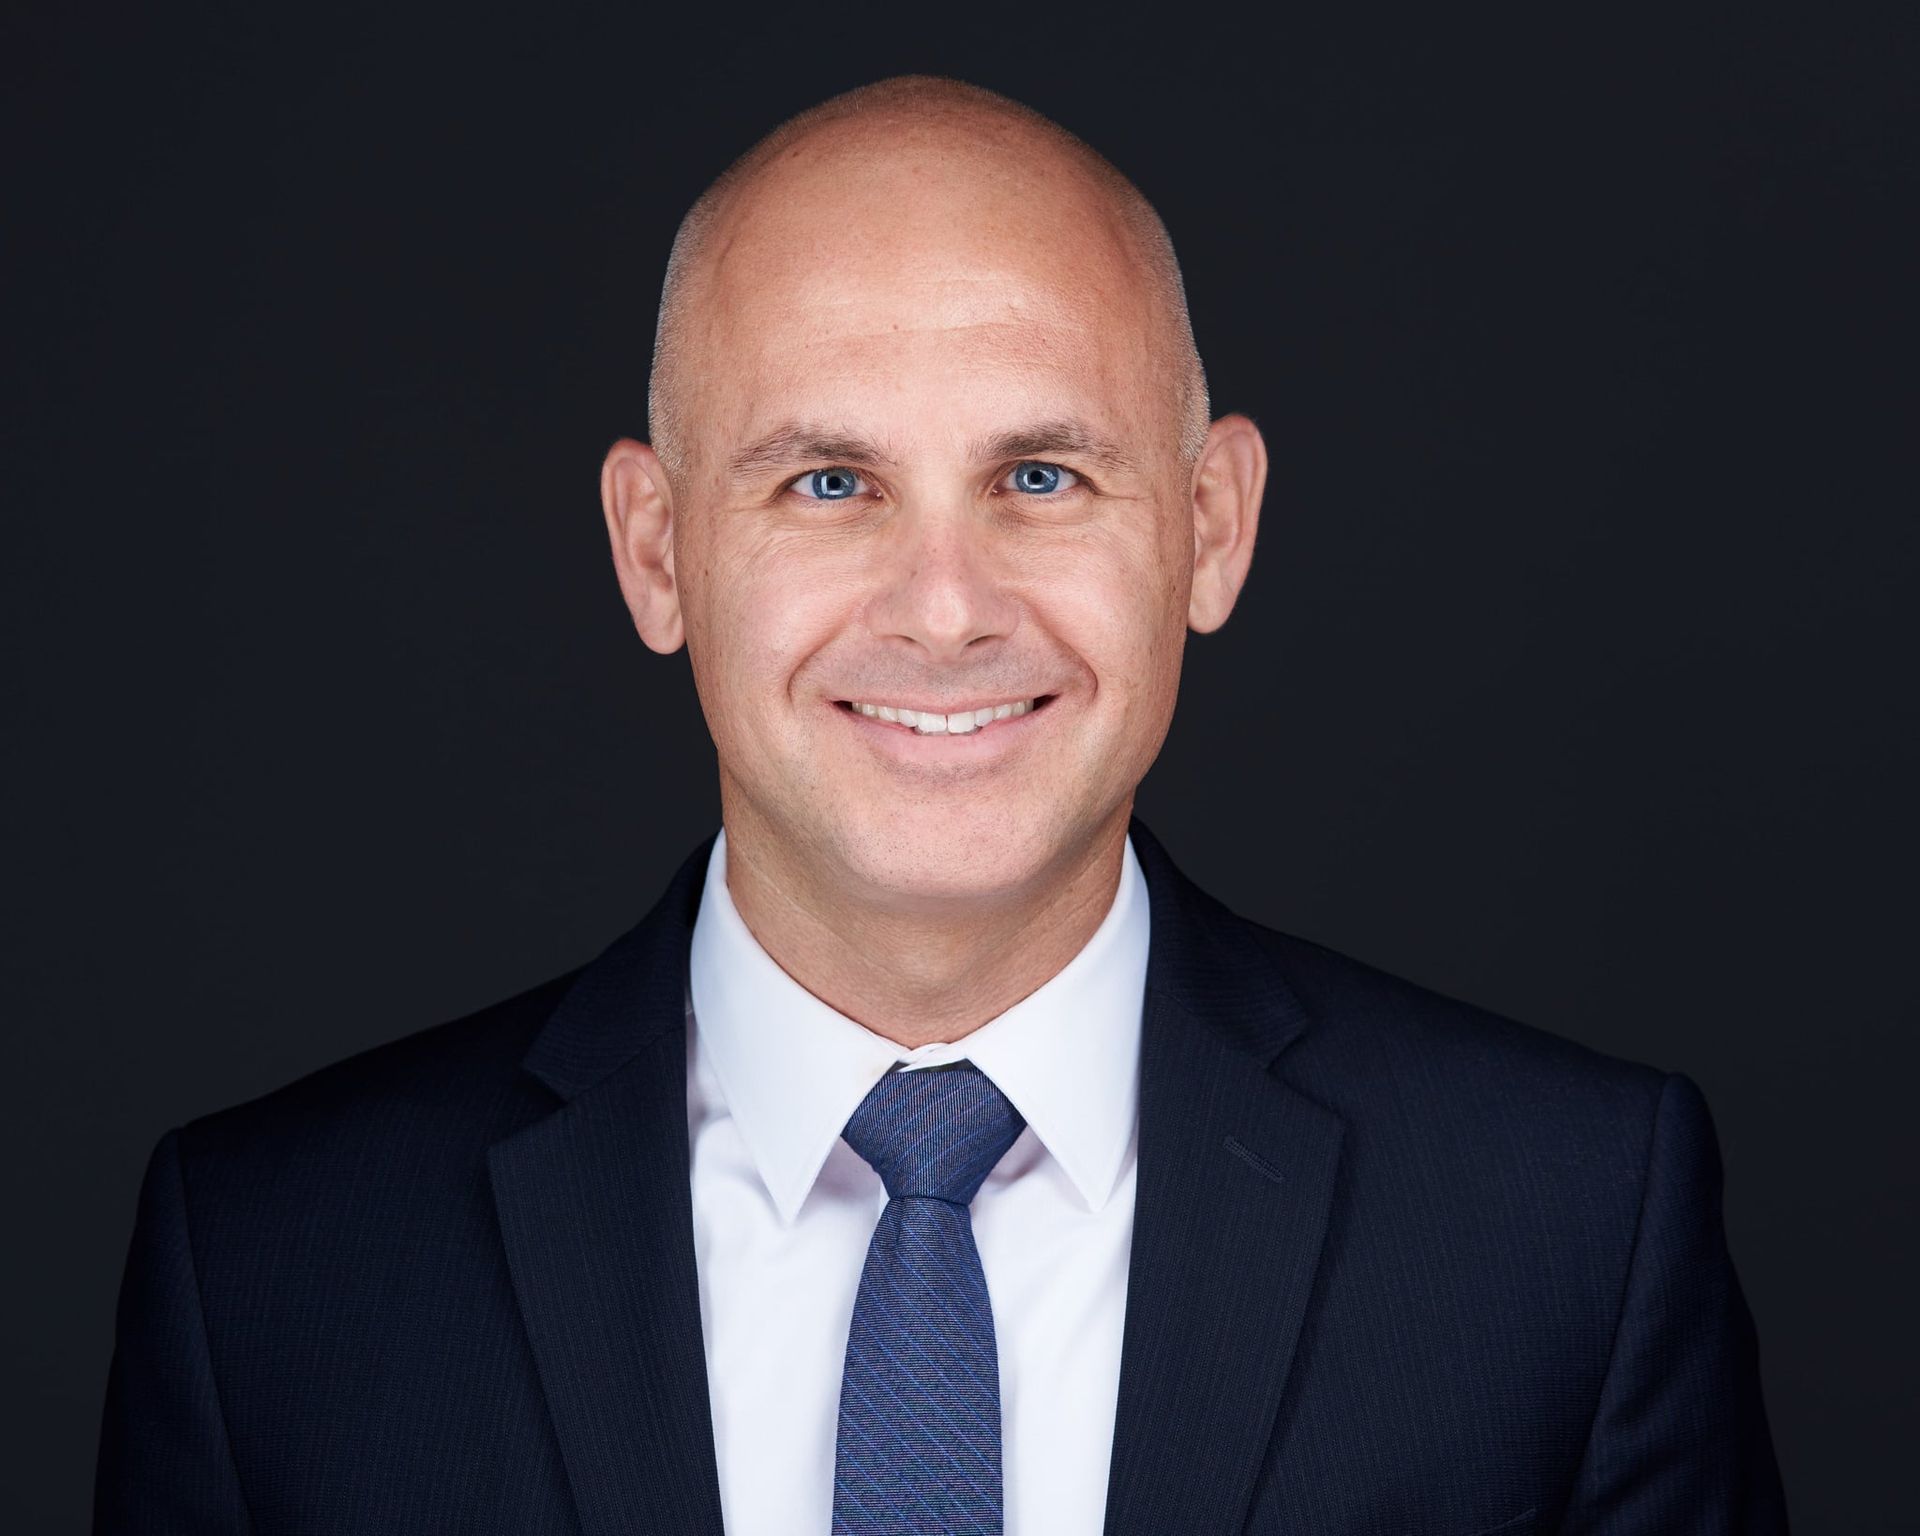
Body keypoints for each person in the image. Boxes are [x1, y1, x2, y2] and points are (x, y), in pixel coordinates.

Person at [94, 75, 1789, 1536]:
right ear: (656, 550)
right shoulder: (271, 1270)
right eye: (830, 483)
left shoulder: (1567, 1226)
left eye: (1040, 476)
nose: (947, 609)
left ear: (1209, 527)